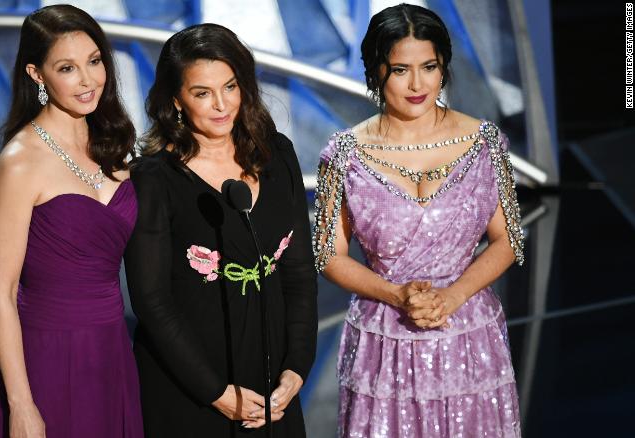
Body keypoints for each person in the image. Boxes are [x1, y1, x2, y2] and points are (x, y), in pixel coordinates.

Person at [314, 4, 524, 437]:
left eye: (429, 67)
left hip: (468, 335)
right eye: (400, 69)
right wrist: (396, 294)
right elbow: (328, 255)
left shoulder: (485, 143)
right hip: (383, 338)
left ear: (443, 66)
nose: (417, 84)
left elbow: (508, 240)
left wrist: (453, 296)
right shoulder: (344, 155)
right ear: (376, 70)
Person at [124, 23, 317, 437]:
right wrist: (218, 393)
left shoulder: (276, 153)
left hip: (274, 388)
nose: (220, 105)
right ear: (176, 99)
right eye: (202, 93)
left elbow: (299, 275)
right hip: (193, 391)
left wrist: (296, 368)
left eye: (230, 86)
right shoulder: (154, 178)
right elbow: (152, 302)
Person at [0, 5, 142, 437]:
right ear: (37, 75)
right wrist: (21, 404)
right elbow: (0, 293)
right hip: (43, 359)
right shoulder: (20, 162)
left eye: (94, 61)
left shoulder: (114, 146)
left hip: (110, 352)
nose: (88, 80)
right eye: (68, 68)